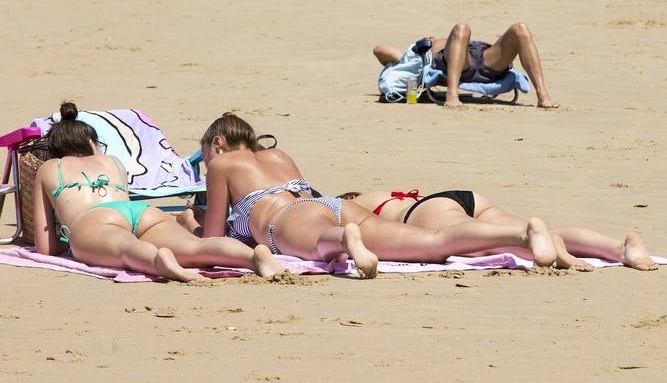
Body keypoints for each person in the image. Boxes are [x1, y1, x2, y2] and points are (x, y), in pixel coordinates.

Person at [188, 113, 564, 272]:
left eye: (205, 155)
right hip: (328, 204)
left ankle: (342, 240)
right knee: (433, 241)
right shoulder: (277, 154)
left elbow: (214, 240)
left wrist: (195, 220)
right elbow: (306, 197)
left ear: (217, 143)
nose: (207, 163)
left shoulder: (221, 165)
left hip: (286, 221)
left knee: (319, 242)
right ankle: (520, 235)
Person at [33, 102, 283, 282]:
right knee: (197, 247)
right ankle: (253, 257)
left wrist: (70, 241)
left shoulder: (48, 168)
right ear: (92, 144)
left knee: (126, 248)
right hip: (141, 213)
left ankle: (157, 260)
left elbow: (46, 247)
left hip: (94, 220)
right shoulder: (112, 162)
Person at [341, 189, 657, 271]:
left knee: (486, 242)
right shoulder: (387, 191)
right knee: (534, 229)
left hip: (424, 212)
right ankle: (620, 248)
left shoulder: (360, 203)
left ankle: (552, 250)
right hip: (465, 197)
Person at [373, 21, 559, 109]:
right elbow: (379, 50)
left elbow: (378, 50)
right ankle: (452, 94)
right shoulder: (415, 55)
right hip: (455, 64)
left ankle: (543, 96)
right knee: (462, 28)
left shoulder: (433, 44)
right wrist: (412, 52)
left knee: (521, 28)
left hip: (482, 56)